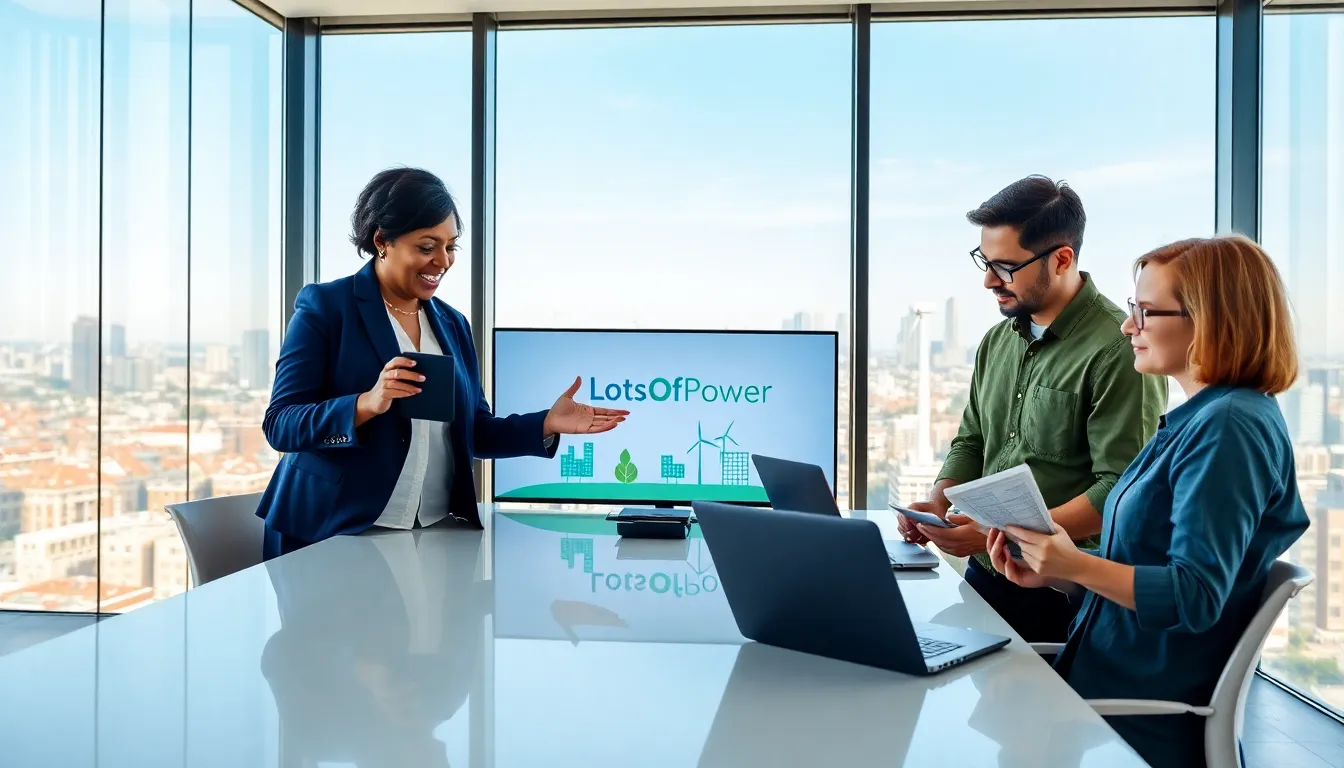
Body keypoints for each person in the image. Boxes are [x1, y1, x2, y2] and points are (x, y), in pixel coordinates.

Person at [985, 235, 1309, 768]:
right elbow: (1149, 568)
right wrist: (1061, 574)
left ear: (1212, 320)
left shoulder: (1229, 428)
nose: (1127, 325)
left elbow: (1194, 595)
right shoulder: (1203, 419)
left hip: (1128, 720)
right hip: (1091, 691)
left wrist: (1078, 563)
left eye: (1144, 311)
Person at [256, 168, 628, 560]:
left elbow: (474, 431)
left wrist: (546, 424)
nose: (443, 261)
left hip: (428, 533)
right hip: (330, 531)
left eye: (451, 246)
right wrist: (367, 402)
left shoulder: (452, 323)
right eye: (426, 246)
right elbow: (281, 424)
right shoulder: (327, 307)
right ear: (382, 240)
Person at [897, 175, 1167, 641]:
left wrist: (993, 532)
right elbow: (972, 439)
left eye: (1004, 266)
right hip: (983, 577)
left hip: (1060, 592)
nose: (987, 280)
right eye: (984, 261)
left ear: (1062, 258)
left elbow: (1119, 490)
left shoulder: (1118, 349)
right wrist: (940, 503)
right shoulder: (997, 341)